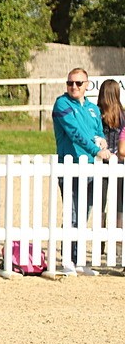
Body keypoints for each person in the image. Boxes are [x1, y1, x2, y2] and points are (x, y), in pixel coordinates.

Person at [52, 67, 110, 276]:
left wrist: (102, 141)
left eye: (78, 83)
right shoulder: (62, 104)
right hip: (71, 167)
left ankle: (78, 261)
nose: (73, 87)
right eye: (70, 83)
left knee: (83, 215)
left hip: (91, 168)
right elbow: (74, 132)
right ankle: (68, 260)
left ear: (87, 85)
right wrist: (96, 150)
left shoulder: (93, 109)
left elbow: (98, 132)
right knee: (73, 214)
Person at [95, 78, 124, 266]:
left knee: (100, 205)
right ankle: (119, 248)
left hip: (101, 161)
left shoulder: (97, 114)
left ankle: (100, 245)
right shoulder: (123, 115)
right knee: (119, 206)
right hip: (120, 163)